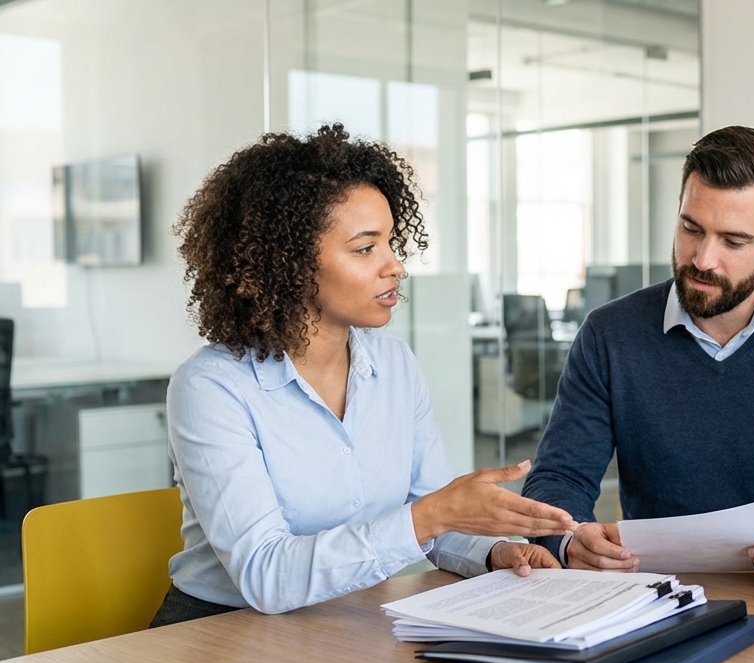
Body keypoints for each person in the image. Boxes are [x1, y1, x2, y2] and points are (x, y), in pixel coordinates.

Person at [151, 124, 576, 626]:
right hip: (218, 632)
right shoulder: (212, 388)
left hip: (345, 619)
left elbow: (433, 516)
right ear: (286, 263)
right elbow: (266, 575)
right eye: (364, 248)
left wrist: (495, 553)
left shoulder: (394, 364)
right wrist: (433, 515)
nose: (395, 266)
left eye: (391, 243)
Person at [523, 126, 754, 569]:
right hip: (655, 593)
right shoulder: (610, 334)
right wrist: (571, 538)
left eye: (733, 241)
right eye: (690, 228)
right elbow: (558, 478)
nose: (702, 259)